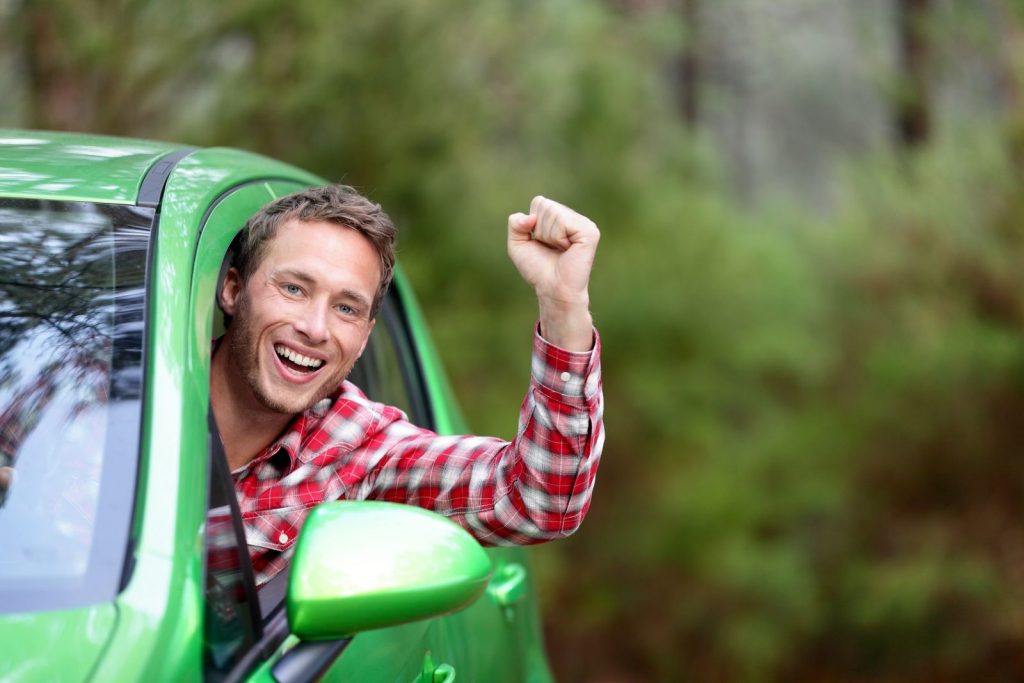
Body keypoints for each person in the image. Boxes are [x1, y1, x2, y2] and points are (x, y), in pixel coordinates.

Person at [209, 185, 604, 586]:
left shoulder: (359, 450)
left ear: (364, 337)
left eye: (346, 308)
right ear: (233, 290)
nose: (314, 328)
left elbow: (536, 499)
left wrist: (563, 304)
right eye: (294, 289)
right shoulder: (148, 395)